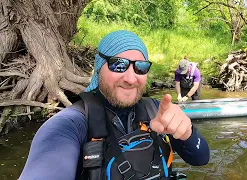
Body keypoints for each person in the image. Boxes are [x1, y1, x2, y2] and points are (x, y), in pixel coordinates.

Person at [19, 30, 210, 180]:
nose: (130, 78)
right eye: (118, 65)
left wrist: (187, 134)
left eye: (140, 67)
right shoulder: (70, 125)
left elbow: (201, 159)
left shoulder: (156, 110)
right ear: (99, 67)